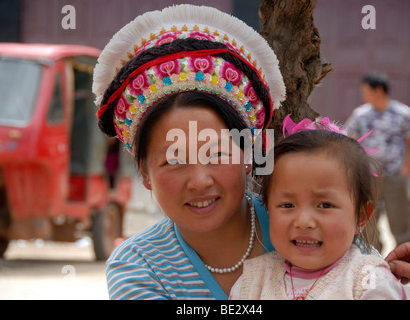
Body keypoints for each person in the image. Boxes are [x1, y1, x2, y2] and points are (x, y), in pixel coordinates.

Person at [92, 4, 285, 299]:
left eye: (216, 154)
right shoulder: (139, 267)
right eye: (174, 160)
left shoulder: (302, 229)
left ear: (248, 155)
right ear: (145, 172)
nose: (199, 181)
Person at [229, 116, 407, 299]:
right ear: (268, 210)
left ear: (361, 216)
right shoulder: (252, 282)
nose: (304, 222)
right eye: (287, 205)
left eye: (325, 205)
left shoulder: (370, 281)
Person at [346, 72, 410, 251]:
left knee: (400, 217)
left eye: (366, 91)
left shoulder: (403, 113)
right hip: (368, 175)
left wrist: (407, 168)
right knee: (368, 219)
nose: (363, 95)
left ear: (378, 90)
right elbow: (350, 141)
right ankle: (372, 254)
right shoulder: (360, 114)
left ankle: (406, 253)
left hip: (394, 175)